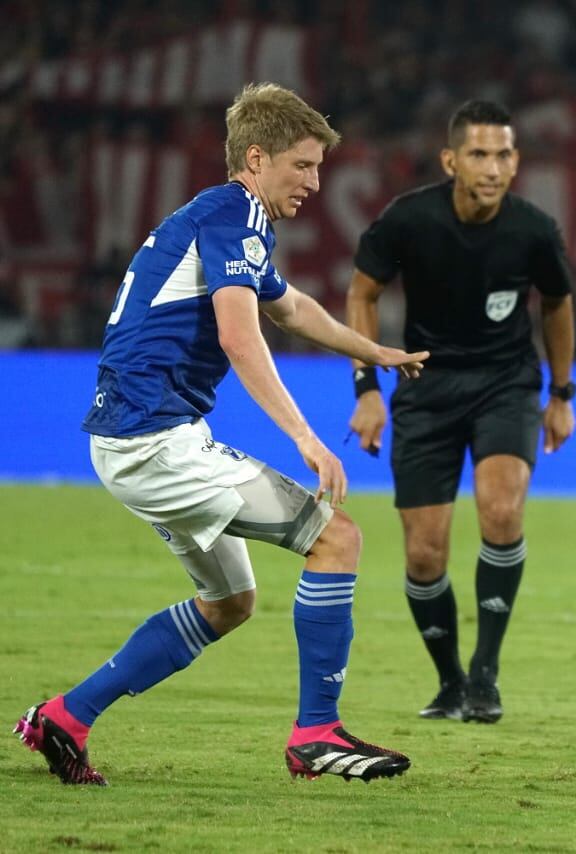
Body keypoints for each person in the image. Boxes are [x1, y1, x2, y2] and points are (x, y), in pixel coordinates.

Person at [14, 83, 425, 785]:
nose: (315, 183)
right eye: (302, 166)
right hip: (156, 439)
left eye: (319, 167)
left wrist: (371, 350)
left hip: (135, 439)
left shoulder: (230, 220)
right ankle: (316, 734)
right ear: (256, 159)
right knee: (337, 538)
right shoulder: (232, 213)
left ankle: (66, 716)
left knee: (230, 602)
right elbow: (241, 336)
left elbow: (289, 307)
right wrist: (306, 437)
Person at [346, 99, 575, 724]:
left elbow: (557, 305)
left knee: (501, 508)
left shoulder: (532, 229)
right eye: (479, 153)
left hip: (505, 385)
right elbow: (362, 293)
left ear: (517, 161)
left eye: (504, 154)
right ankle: (450, 683)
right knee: (424, 554)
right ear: (451, 160)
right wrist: (367, 386)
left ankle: (486, 673)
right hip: (424, 386)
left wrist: (561, 394)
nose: (493, 166)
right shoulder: (409, 220)